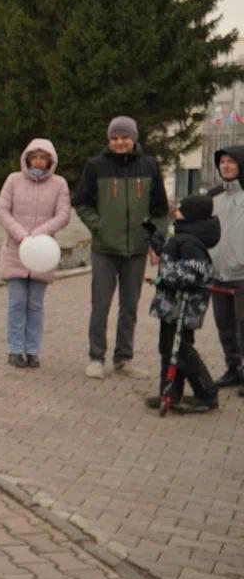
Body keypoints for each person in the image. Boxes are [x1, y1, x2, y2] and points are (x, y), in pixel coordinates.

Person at [73, 116, 169, 379]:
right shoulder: (96, 166)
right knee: (100, 305)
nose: (119, 142)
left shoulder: (149, 165)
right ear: (109, 140)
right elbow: (81, 203)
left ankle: (123, 358)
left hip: (136, 250)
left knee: (129, 306)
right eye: (114, 138)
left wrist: (156, 240)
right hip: (105, 249)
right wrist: (99, 226)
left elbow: (160, 210)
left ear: (134, 138)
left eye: (124, 137)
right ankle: (96, 357)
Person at [0, 139, 71, 368]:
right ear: (27, 158)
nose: (39, 161)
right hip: (16, 251)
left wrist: (38, 234)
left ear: (50, 160)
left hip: (42, 254)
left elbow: (63, 214)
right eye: (35, 157)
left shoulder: (59, 184)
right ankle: (15, 349)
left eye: (43, 157)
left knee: (35, 305)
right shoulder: (13, 180)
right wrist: (22, 235)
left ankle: (33, 350)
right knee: (16, 303)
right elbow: (2, 210)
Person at [145, 194, 221, 412]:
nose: (176, 212)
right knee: (169, 348)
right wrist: (160, 247)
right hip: (173, 305)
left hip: (183, 305)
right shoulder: (184, 238)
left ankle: (206, 392)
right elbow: (175, 260)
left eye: (181, 210)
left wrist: (164, 278)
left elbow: (192, 271)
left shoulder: (189, 242)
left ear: (191, 215)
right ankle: (170, 392)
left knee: (181, 349)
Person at [207, 145, 244, 394]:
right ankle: (233, 368)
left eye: (231, 162)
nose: (226, 166)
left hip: (242, 274)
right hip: (218, 273)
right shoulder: (213, 195)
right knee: (224, 325)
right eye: (222, 162)